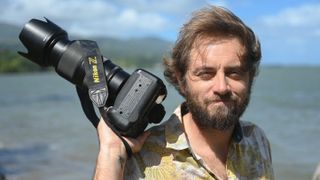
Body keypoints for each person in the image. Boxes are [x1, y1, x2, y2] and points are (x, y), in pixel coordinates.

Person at [93, 5, 274, 180]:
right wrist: (111, 153)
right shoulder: (141, 159)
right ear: (181, 79)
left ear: (249, 77)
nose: (222, 87)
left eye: (234, 73)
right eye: (205, 74)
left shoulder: (257, 140)